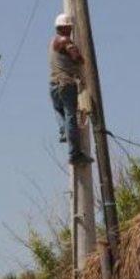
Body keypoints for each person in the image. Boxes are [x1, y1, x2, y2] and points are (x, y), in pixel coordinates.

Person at [49, 13, 93, 166]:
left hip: (53, 84)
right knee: (70, 115)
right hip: (66, 83)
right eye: (70, 26)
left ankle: (63, 131)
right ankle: (75, 154)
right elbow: (77, 57)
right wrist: (82, 59)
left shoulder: (52, 41)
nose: (72, 29)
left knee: (57, 109)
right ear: (66, 27)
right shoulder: (65, 41)